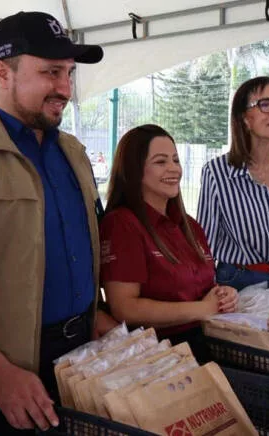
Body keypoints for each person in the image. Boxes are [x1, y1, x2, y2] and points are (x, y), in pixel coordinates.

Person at [0, 11, 118, 434]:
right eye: (50, 72)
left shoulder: (73, 151)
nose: (65, 88)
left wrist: (94, 319)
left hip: (81, 356)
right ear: (2, 72)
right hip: (4, 372)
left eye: (69, 73)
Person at [100, 125, 238, 360]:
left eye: (175, 160)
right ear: (135, 170)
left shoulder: (190, 226)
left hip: (202, 344)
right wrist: (202, 309)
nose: (174, 168)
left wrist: (224, 295)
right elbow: (125, 308)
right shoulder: (122, 224)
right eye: (160, 161)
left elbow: (201, 288)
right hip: (155, 356)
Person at [197, 76, 269, 293]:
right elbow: (206, 244)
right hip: (237, 283)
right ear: (244, 118)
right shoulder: (217, 172)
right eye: (266, 104)